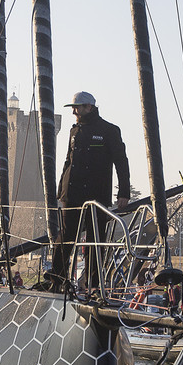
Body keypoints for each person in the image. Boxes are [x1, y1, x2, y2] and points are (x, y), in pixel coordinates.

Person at [50, 92, 131, 289]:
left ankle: (93, 284)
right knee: (65, 237)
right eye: (72, 108)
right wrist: (61, 190)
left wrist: (124, 192)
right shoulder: (74, 131)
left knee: (96, 240)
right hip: (72, 193)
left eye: (76, 108)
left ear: (89, 107)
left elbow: (121, 162)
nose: (73, 112)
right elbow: (68, 162)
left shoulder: (109, 130)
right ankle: (57, 279)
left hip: (96, 194)